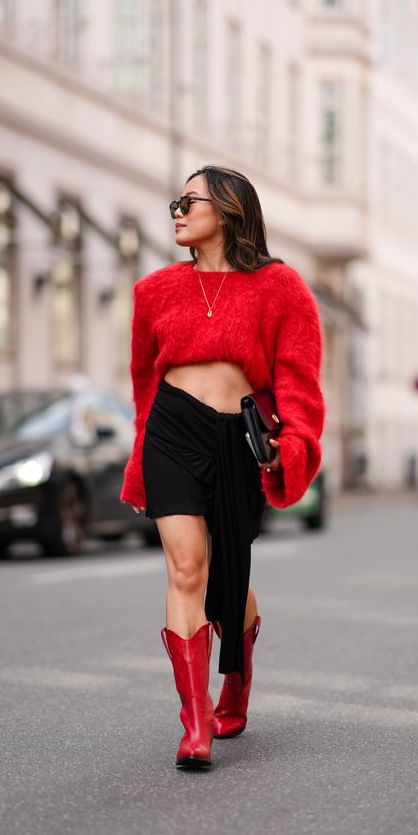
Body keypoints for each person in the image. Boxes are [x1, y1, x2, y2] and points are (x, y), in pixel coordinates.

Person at [120, 164, 324, 769]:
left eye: (189, 201)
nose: (177, 211)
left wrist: (294, 446)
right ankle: (197, 721)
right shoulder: (152, 292)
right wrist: (139, 462)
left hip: (238, 434)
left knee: (227, 573)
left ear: (230, 210)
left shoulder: (280, 288)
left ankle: (238, 678)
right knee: (188, 569)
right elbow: (141, 386)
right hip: (172, 430)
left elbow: (299, 380)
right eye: (174, 202)